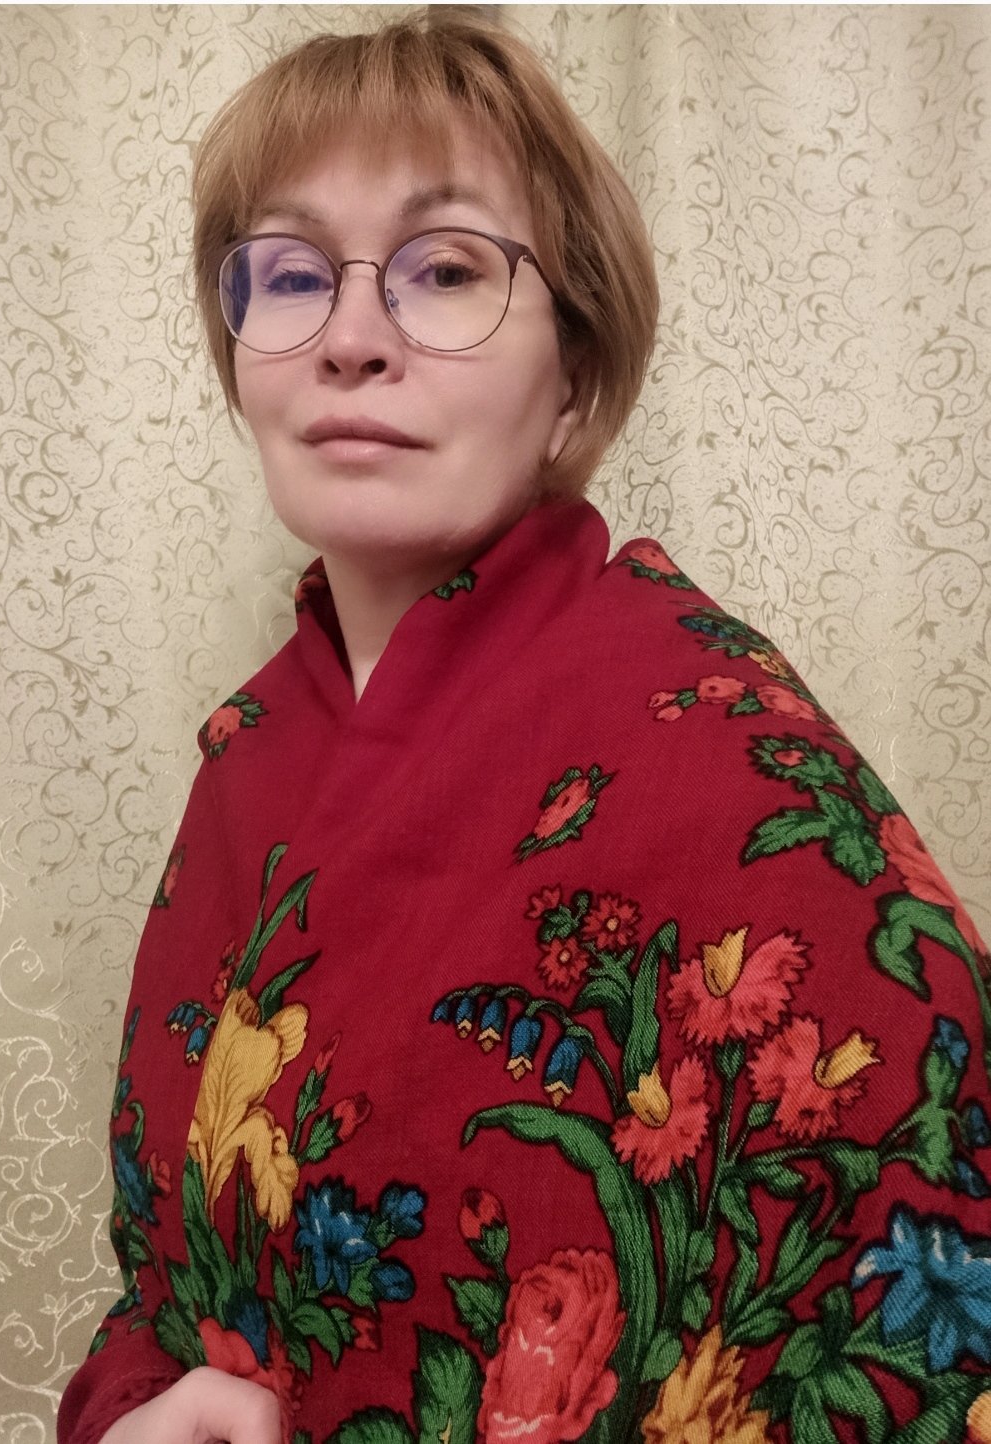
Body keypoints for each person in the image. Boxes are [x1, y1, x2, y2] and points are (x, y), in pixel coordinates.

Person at [58, 17, 991, 1444]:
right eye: (291, 273)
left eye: (445, 269)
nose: (350, 340)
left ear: (577, 377)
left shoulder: (726, 765)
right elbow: (171, 1275)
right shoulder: (248, 758)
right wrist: (138, 1407)